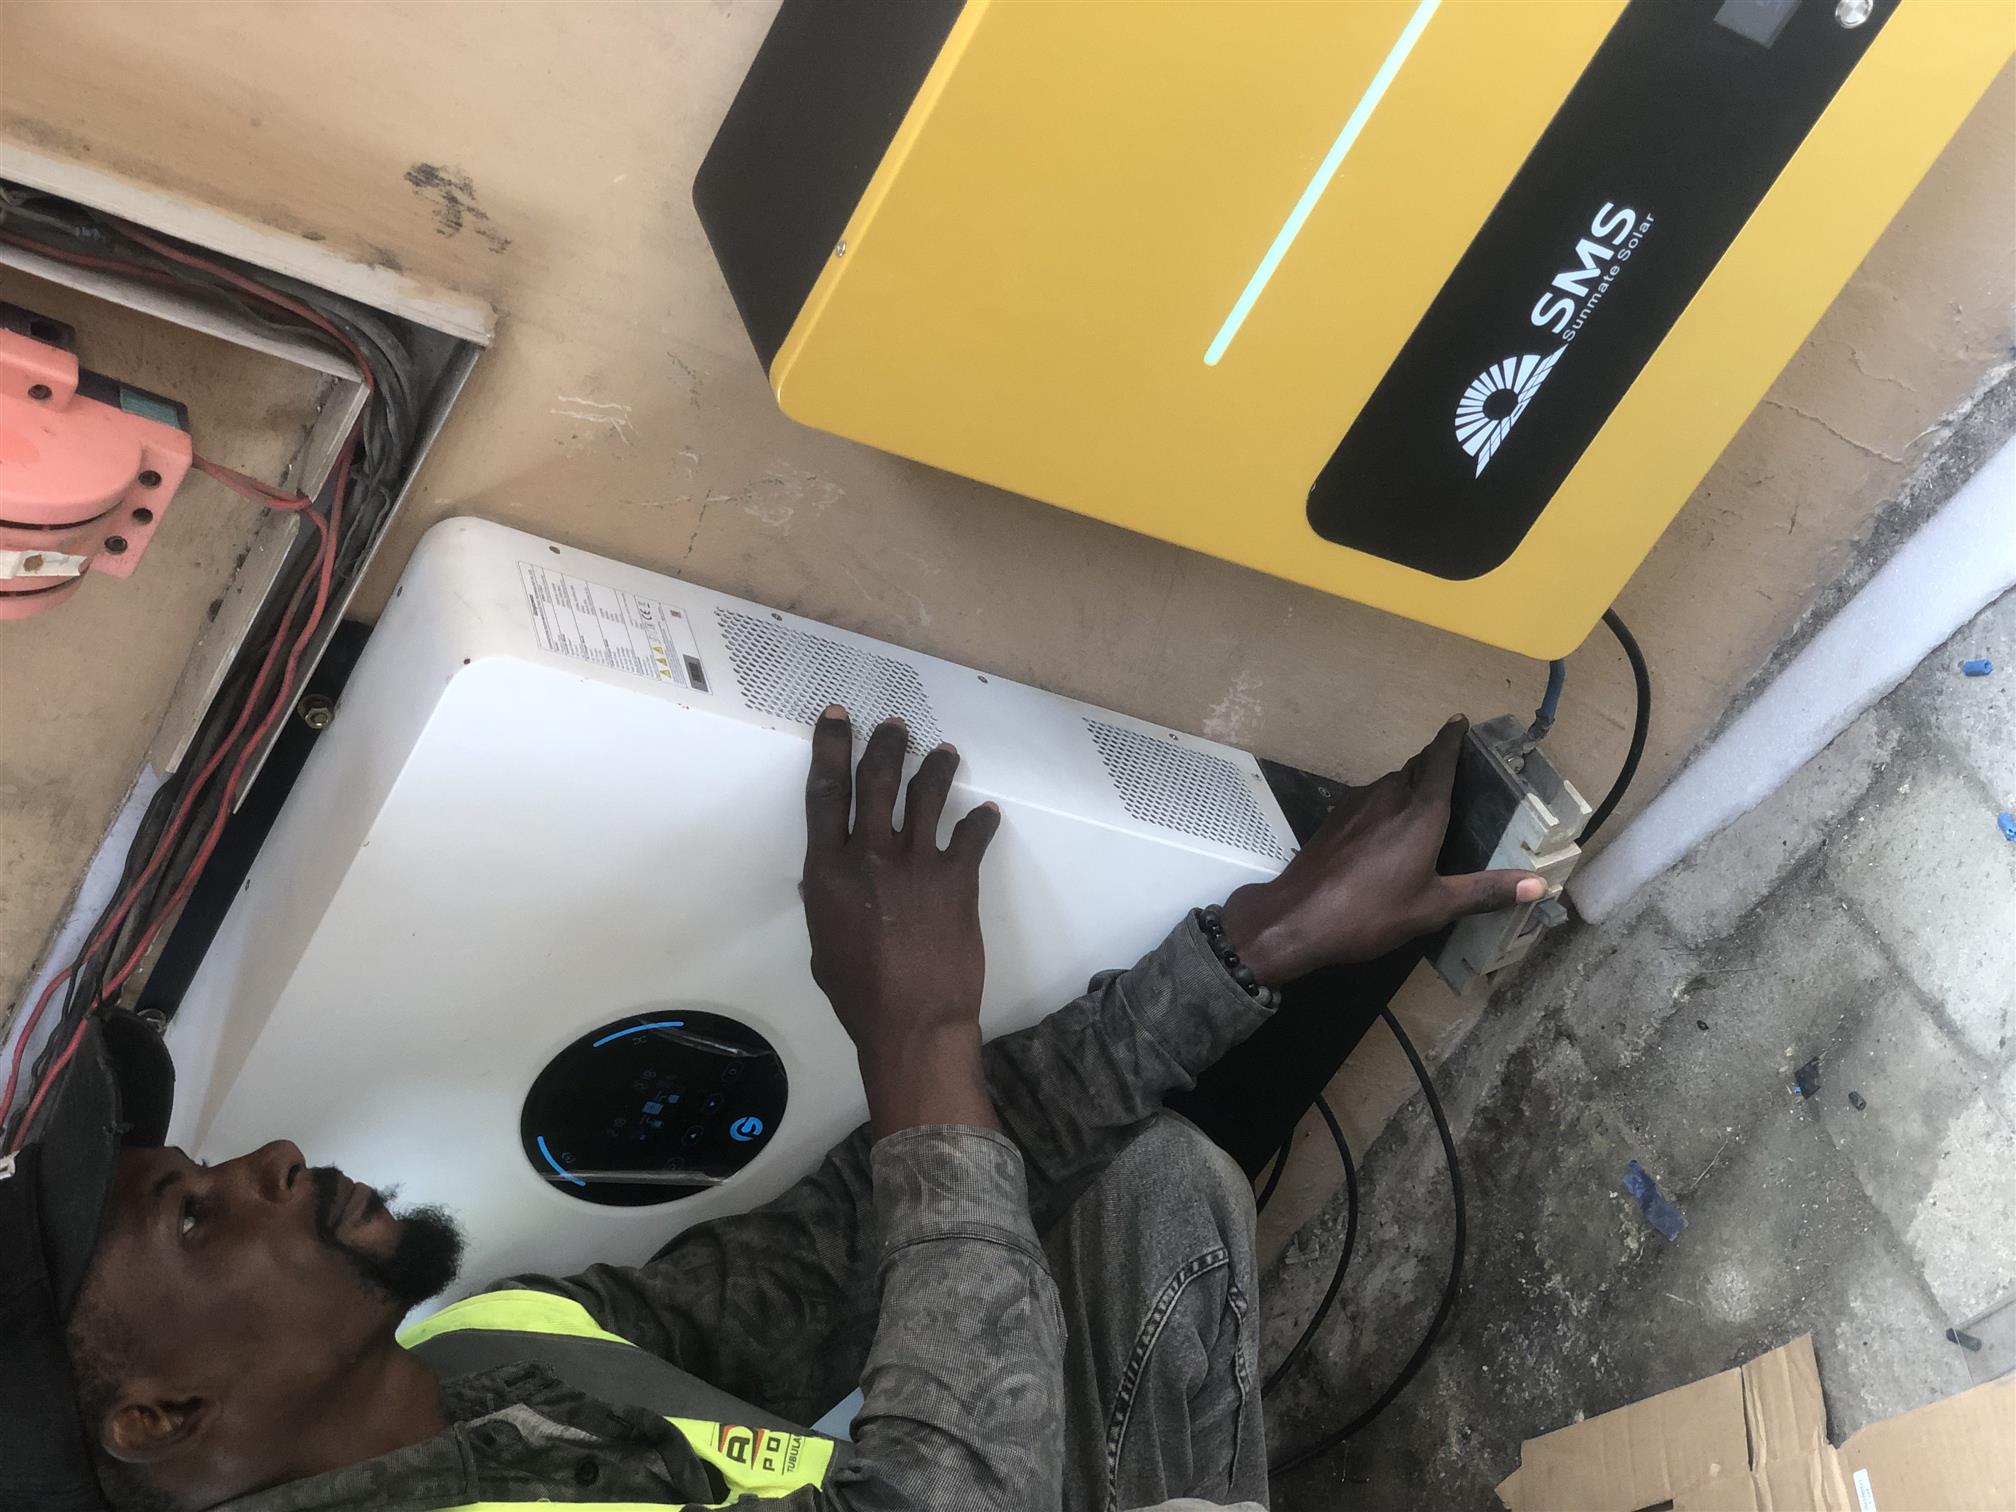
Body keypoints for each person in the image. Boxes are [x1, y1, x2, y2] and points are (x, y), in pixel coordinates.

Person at [3, 708, 1543, 1512]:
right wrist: (915, 1030)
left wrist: (1255, 947)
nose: (267, 1160)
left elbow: (833, 1263)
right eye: (194, 1215)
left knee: (1153, 1180)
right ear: (160, 1419)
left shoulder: (473, 1361)